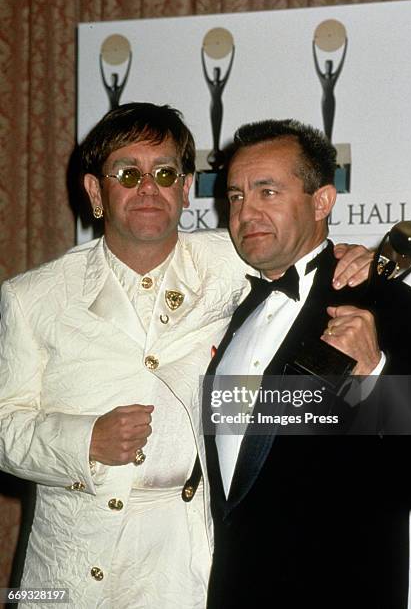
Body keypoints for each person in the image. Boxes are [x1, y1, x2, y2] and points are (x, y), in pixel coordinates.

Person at [0, 103, 372, 609]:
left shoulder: (234, 258)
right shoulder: (31, 297)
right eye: (128, 173)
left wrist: (353, 256)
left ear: (185, 187)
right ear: (95, 192)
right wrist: (84, 439)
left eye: (165, 173)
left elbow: (302, 249)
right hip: (64, 566)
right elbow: (4, 429)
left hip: (185, 563)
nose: (148, 187)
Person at [203, 119, 411, 609]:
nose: (245, 211)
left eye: (267, 191)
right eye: (234, 196)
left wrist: (374, 374)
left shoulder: (392, 308)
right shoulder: (229, 306)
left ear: (322, 202)